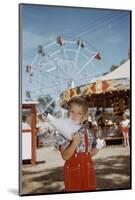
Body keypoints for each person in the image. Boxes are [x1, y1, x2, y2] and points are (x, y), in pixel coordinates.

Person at [56, 97, 100, 192]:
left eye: (79, 113)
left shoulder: (88, 132)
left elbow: (89, 155)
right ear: (68, 113)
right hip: (73, 173)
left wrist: (97, 148)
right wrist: (74, 143)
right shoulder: (64, 132)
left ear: (84, 117)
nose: (75, 116)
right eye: (72, 112)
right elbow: (65, 156)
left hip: (88, 172)